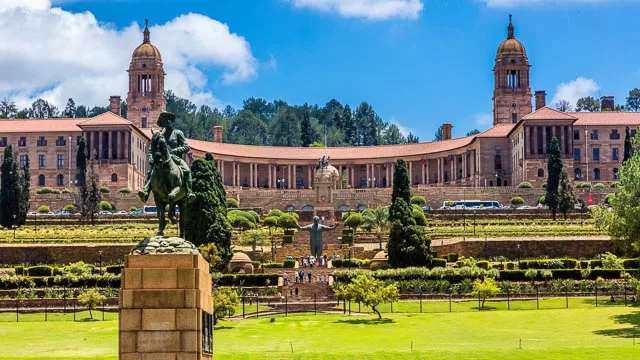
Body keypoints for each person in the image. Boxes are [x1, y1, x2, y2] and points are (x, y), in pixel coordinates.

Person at [138, 111, 195, 202]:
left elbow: (186, 147)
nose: (167, 121)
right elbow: (151, 148)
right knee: (151, 171)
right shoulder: (159, 135)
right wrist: (151, 157)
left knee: (187, 170)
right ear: (162, 123)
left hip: (176, 158)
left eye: (168, 119)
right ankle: (145, 190)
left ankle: (189, 192)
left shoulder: (177, 133)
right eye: (164, 119)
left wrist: (177, 150)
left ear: (171, 120)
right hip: (161, 159)